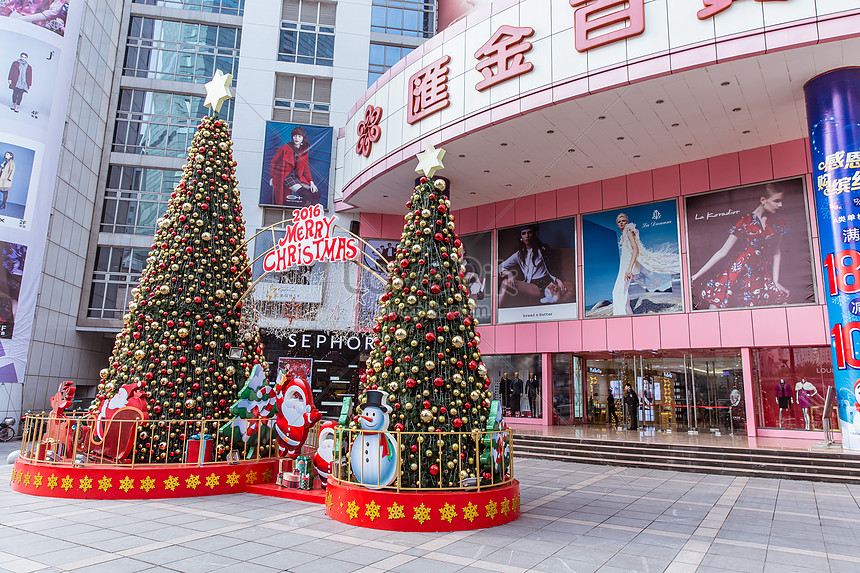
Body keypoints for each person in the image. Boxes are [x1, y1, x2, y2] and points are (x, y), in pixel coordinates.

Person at [691, 183, 790, 308]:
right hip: (737, 270)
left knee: (776, 302)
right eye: (776, 201)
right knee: (716, 305)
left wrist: (775, 281)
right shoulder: (745, 221)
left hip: (760, 273)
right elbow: (723, 251)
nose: (780, 205)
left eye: (781, 201)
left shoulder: (778, 223)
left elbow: (777, 252)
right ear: (763, 200)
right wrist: (697, 275)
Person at [612, 212, 679, 315]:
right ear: (617, 224)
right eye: (619, 222)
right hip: (624, 266)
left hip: (627, 266)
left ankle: (621, 315)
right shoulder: (625, 234)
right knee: (620, 291)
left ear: (627, 222)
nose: (621, 223)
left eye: (623, 221)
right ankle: (625, 313)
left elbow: (635, 250)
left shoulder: (628, 231)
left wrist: (629, 269)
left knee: (618, 291)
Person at [499, 225, 568, 307]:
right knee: (506, 283)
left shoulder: (543, 249)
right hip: (529, 284)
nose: (527, 236)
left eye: (530, 232)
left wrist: (558, 281)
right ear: (521, 237)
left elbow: (551, 267)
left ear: (534, 234)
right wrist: (509, 274)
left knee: (505, 283)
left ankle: (497, 313)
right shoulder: (519, 254)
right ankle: (498, 312)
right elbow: (499, 267)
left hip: (542, 285)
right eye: (523, 233)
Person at [269, 126, 320, 207]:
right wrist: (272, 177)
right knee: (305, 194)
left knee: (317, 192)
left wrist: (311, 182)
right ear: (292, 137)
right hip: (285, 176)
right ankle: (304, 212)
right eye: (295, 136)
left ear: (303, 138)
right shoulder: (283, 148)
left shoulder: (304, 150)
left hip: (298, 177)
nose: (297, 138)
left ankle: (311, 211)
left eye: (299, 136)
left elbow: (306, 168)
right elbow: (273, 163)